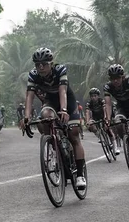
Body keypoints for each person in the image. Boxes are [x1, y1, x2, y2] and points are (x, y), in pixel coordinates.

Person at [21, 47, 87, 190]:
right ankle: (55, 145)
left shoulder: (60, 70)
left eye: (44, 64)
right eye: (37, 64)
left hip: (67, 101)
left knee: (73, 135)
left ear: (51, 63)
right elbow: (29, 97)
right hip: (50, 102)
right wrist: (26, 117)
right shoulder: (33, 75)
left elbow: (62, 92)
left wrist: (64, 110)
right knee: (45, 118)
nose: (41, 67)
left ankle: (80, 175)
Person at [85, 87, 120, 155]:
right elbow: (87, 112)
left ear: (98, 96)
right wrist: (87, 121)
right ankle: (99, 136)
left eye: (95, 96)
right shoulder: (89, 104)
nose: (93, 98)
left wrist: (105, 117)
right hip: (95, 118)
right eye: (92, 96)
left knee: (108, 129)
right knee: (91, 126)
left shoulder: (101, 101)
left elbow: (105, 109)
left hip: (103, 116)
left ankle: (115, 148)